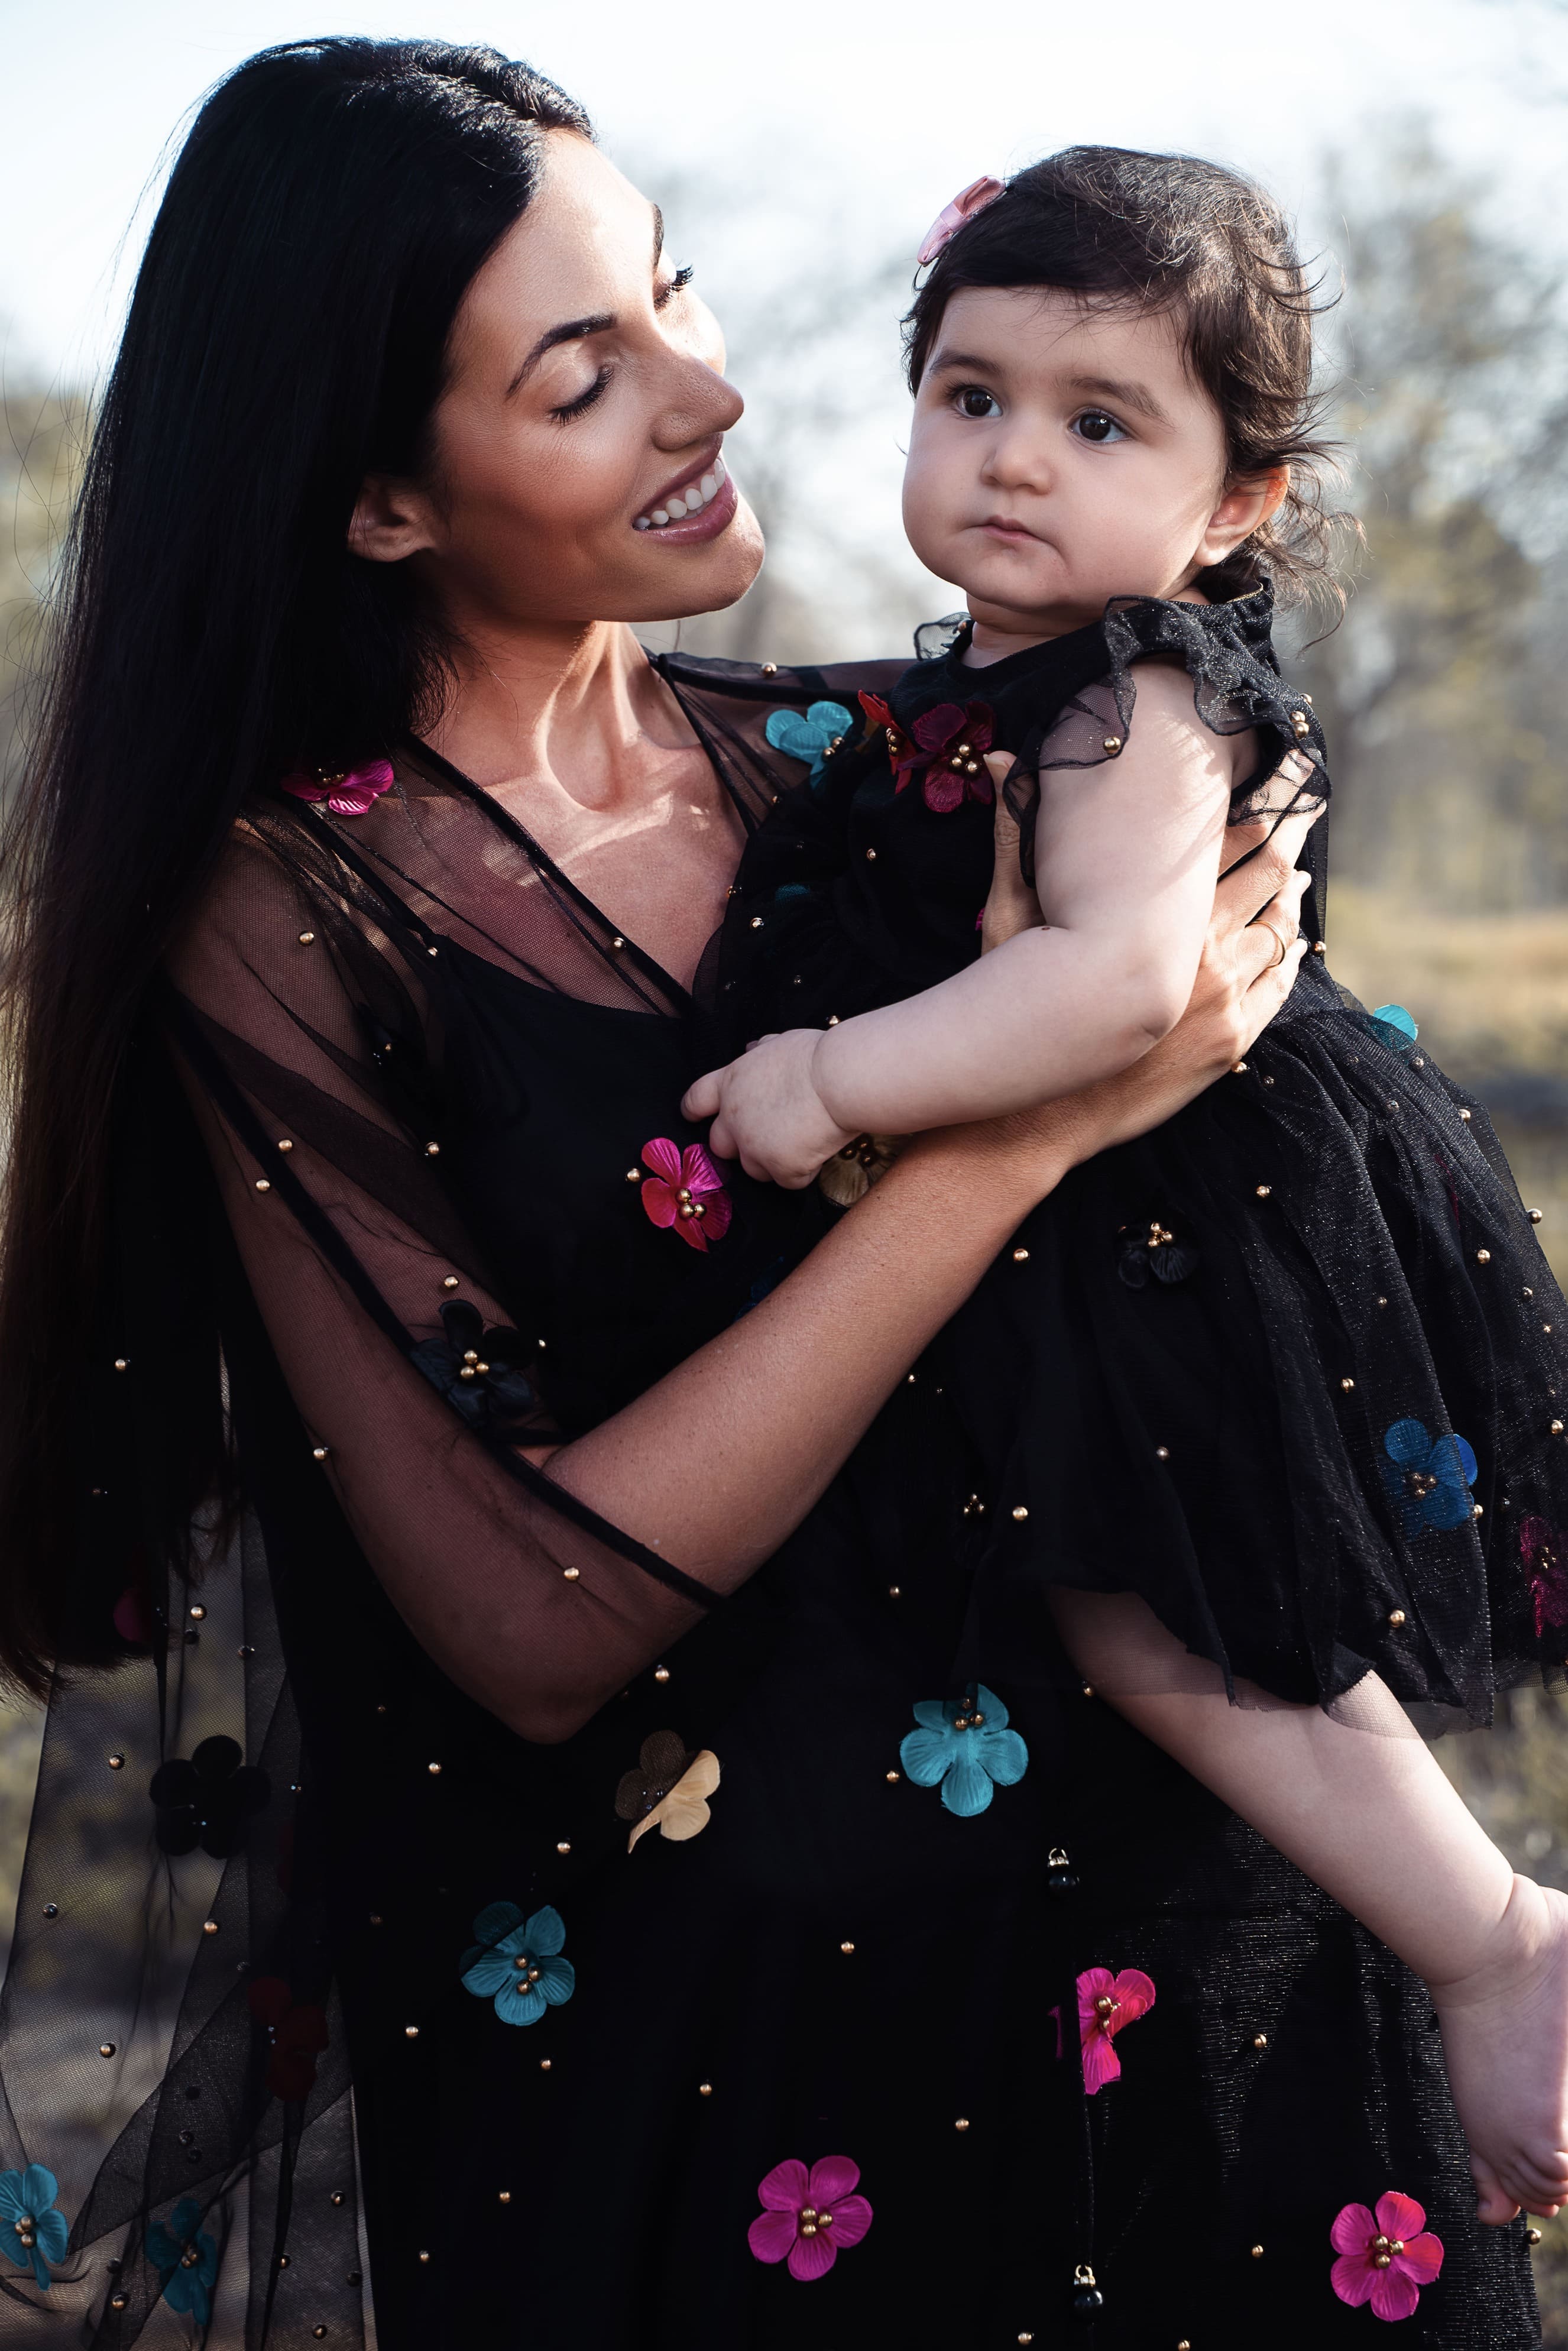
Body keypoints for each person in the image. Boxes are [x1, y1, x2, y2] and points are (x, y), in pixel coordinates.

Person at [0, 45, 1538, 2351]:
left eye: (675, 292)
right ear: (386, 504)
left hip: (1195, 1960)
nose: (710, 388)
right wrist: (1010, 1135)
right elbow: (526, 1611)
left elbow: (1214, 1162)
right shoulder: (303, 912)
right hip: (729, 2074)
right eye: (583, 369)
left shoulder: (881, 752)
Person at [688, 147, 1568, 2234]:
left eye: (1100, 424)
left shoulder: (1146, 687)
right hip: (1088, 1229)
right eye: (968, 395)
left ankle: (1488, 1937)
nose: (1011, 460)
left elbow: (1115, 984)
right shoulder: (1000, 680)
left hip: (1184, 1234)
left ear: (1235, 501)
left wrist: (831, 1078)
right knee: (1110, 1597)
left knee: (1158, 1593)